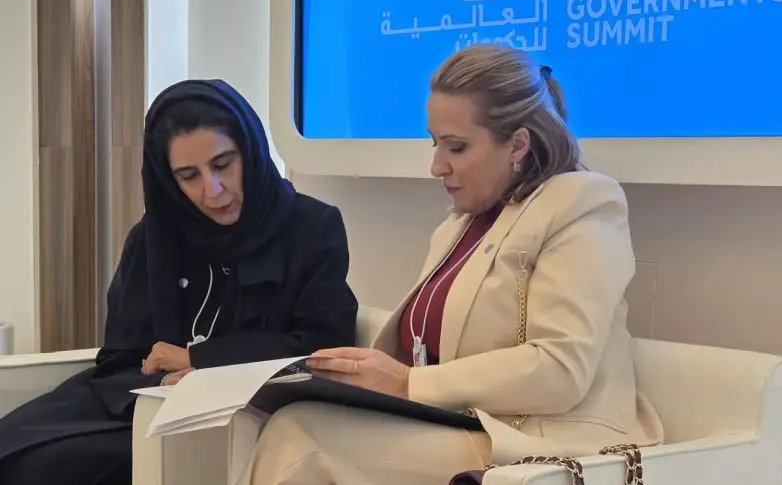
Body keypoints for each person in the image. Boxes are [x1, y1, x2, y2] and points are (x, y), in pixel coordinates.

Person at [241, 44, 665, 485]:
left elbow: (561, 369)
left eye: (456, 147)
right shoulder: (458, 225)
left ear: (518, 144)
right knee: (292, 419)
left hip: (543, 440)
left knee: (303, 439)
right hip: (463, 424)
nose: (436, 166)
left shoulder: (582, 201)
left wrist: (407, 383)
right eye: (435, 143)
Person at [0, 79, 359, 485]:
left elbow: (325, 346)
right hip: (136, 401)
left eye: (223, 164)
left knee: (48, 469)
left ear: (250, 151)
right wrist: (164, 381)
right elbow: (121, 353)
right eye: (189, 176)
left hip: (240, 417)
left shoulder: (311, 228)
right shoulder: (154, 236)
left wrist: (202, 361)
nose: (213, 190)